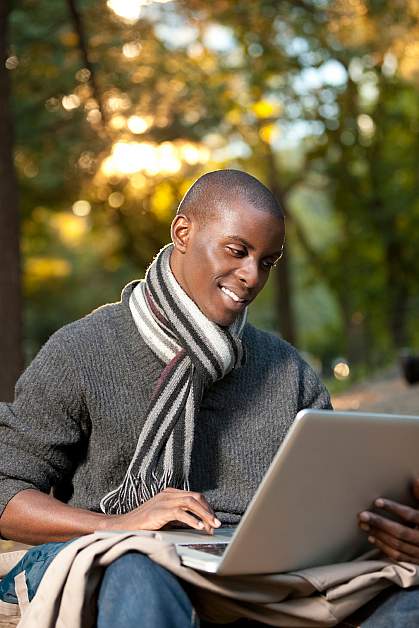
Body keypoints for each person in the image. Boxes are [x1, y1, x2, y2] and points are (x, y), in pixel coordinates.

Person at [0, 169, 415, 627]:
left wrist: (392, 530)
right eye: (237, 251)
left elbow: (330, 504)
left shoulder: (288, 371)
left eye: (268, 261)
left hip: (251, 574)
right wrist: (119, 525)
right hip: (118, 556)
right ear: (183, 232)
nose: (251, 276)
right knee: (137, 572)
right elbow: (5, 490)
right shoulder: (81, 352)